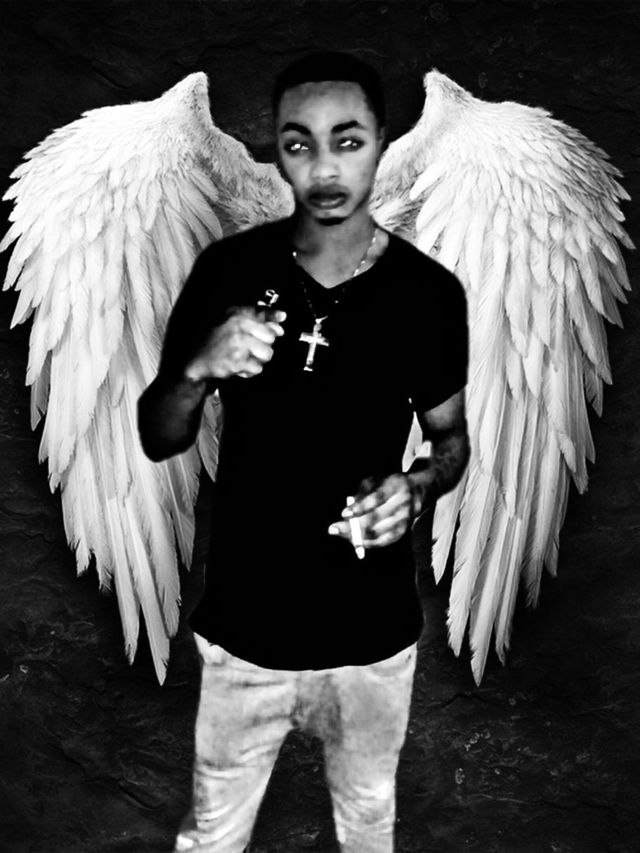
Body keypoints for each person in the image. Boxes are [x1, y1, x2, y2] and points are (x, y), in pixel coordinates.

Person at [138, 51, 469, 853]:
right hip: (244, 631)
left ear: (381, 141)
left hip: (371, 640)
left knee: (368, 830)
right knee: (213, 836)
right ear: (278, 151)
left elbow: (451, 441)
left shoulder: (428, 294)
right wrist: (199, 368)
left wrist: (417, 486)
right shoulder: (229, 270)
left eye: (347, 141)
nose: (323, 168)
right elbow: (158, 433)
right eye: (299, 143)